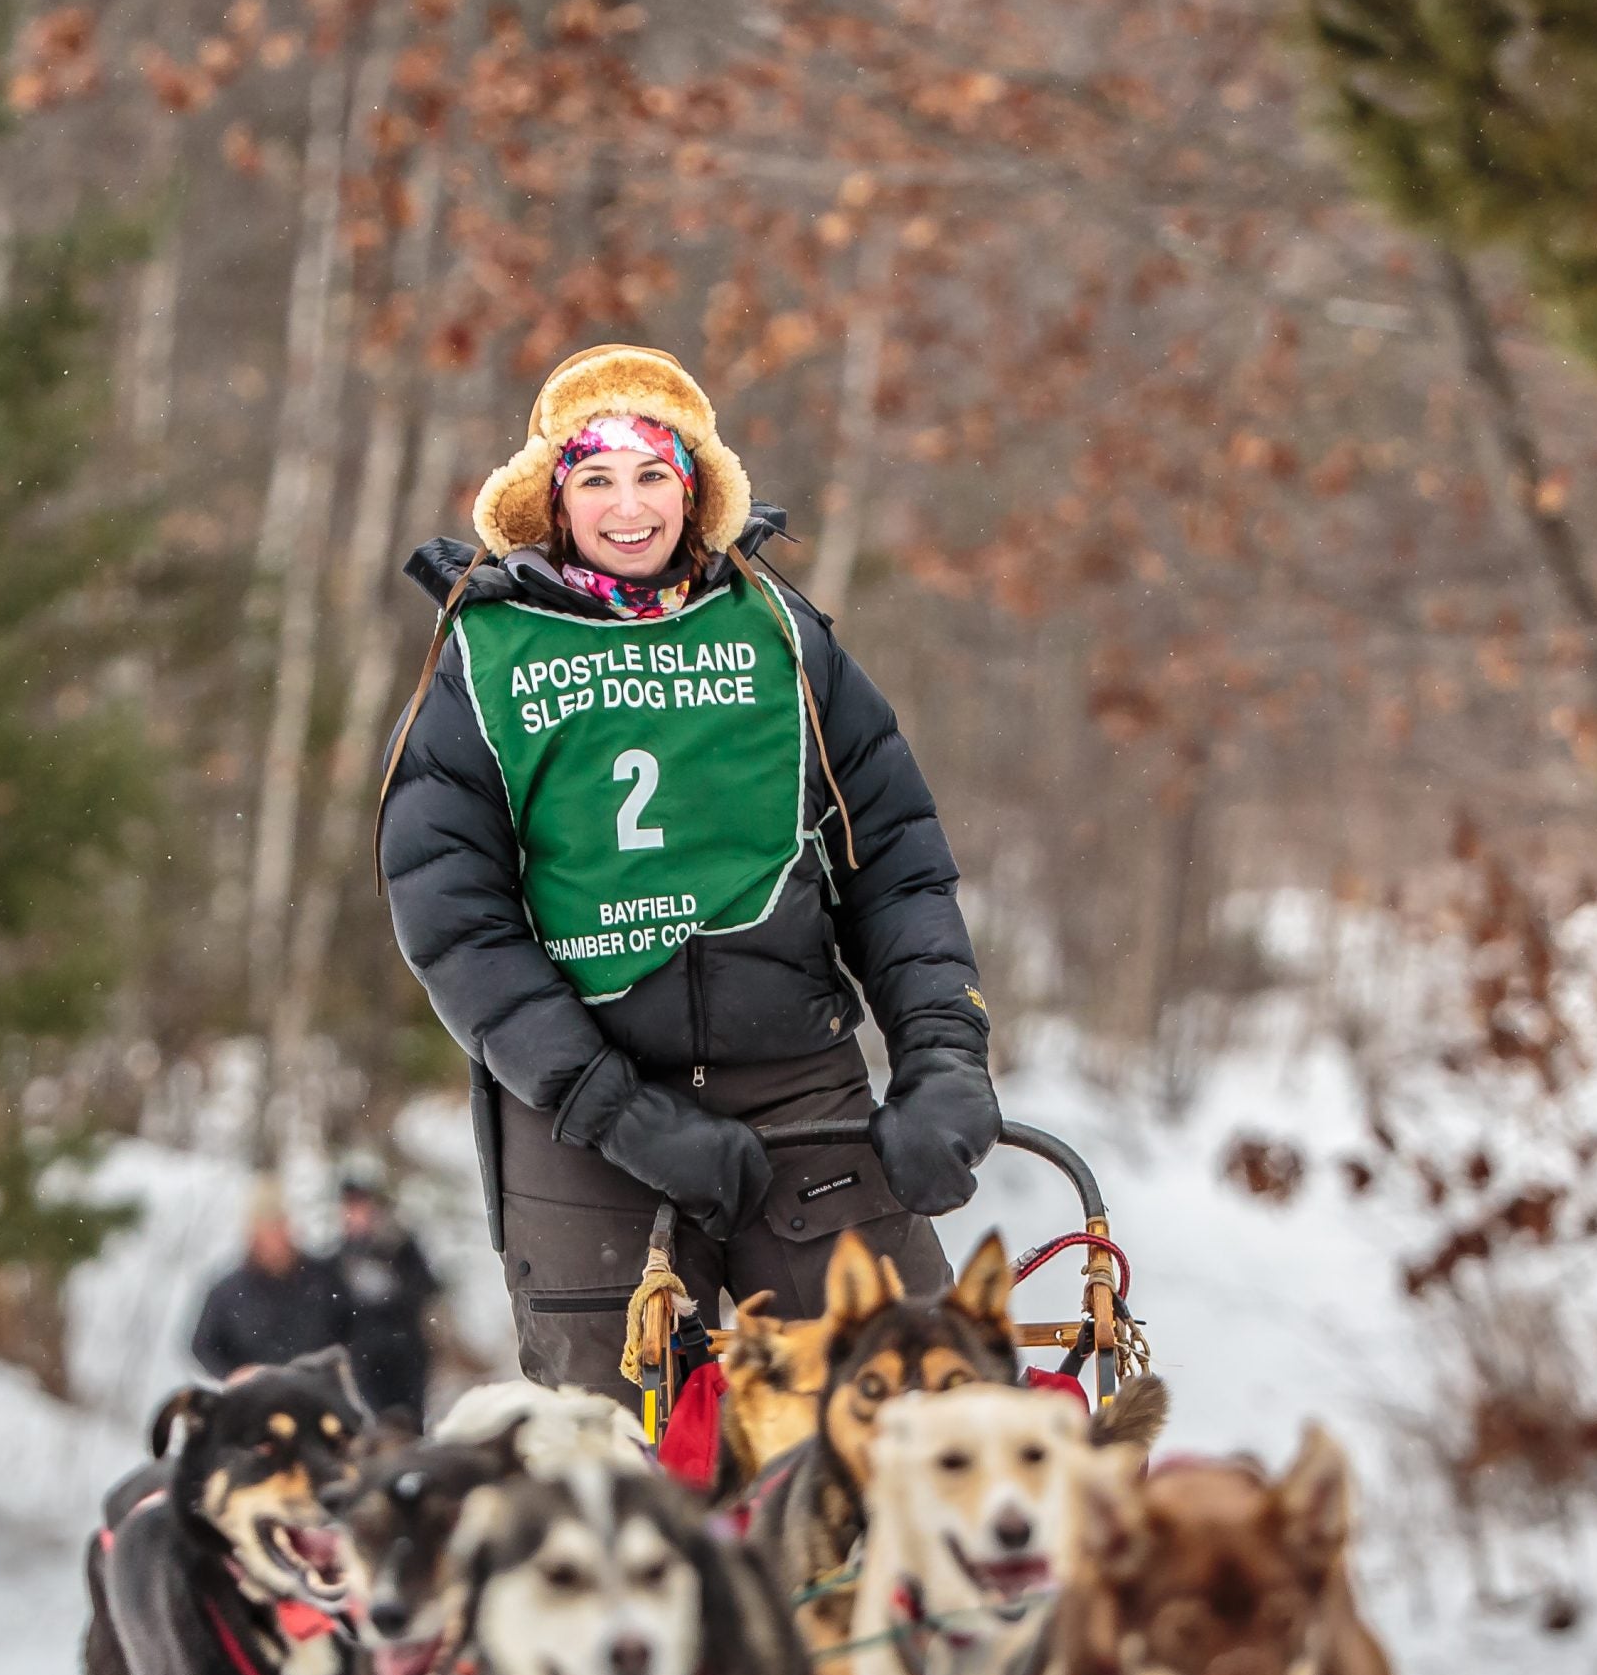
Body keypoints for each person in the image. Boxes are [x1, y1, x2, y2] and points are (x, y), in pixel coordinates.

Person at [376, 342, 998, 1403]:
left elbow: (892, 864)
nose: (630, 507)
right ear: (555, 496)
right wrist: (615, 1109)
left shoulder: (781, 636)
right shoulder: (481, 657)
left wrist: (944, 1057)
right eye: (598, 478)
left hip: (799, 1094)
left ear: (695, 487)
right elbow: (455, 923)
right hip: (585, 1123)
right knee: (619, 1493)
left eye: (654, 475)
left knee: (921, 1423)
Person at [190, 1179, 349, 1378]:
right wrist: (236, 1375)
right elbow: (203, 1345)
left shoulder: (324, 1279)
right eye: (267, 1229)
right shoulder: (227, 1292)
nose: (275, 1237)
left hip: (315, 1396)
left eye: (279, 1226)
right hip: (257, 1401)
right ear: (253, 1235)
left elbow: (351, 1331)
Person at [333, 1151, 440, 1427]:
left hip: (404, 1349)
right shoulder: (341, 1254)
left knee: (409, 1421)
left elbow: (426, 1287)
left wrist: (391, 1289)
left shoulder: (400, 1244)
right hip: (364, 1354)